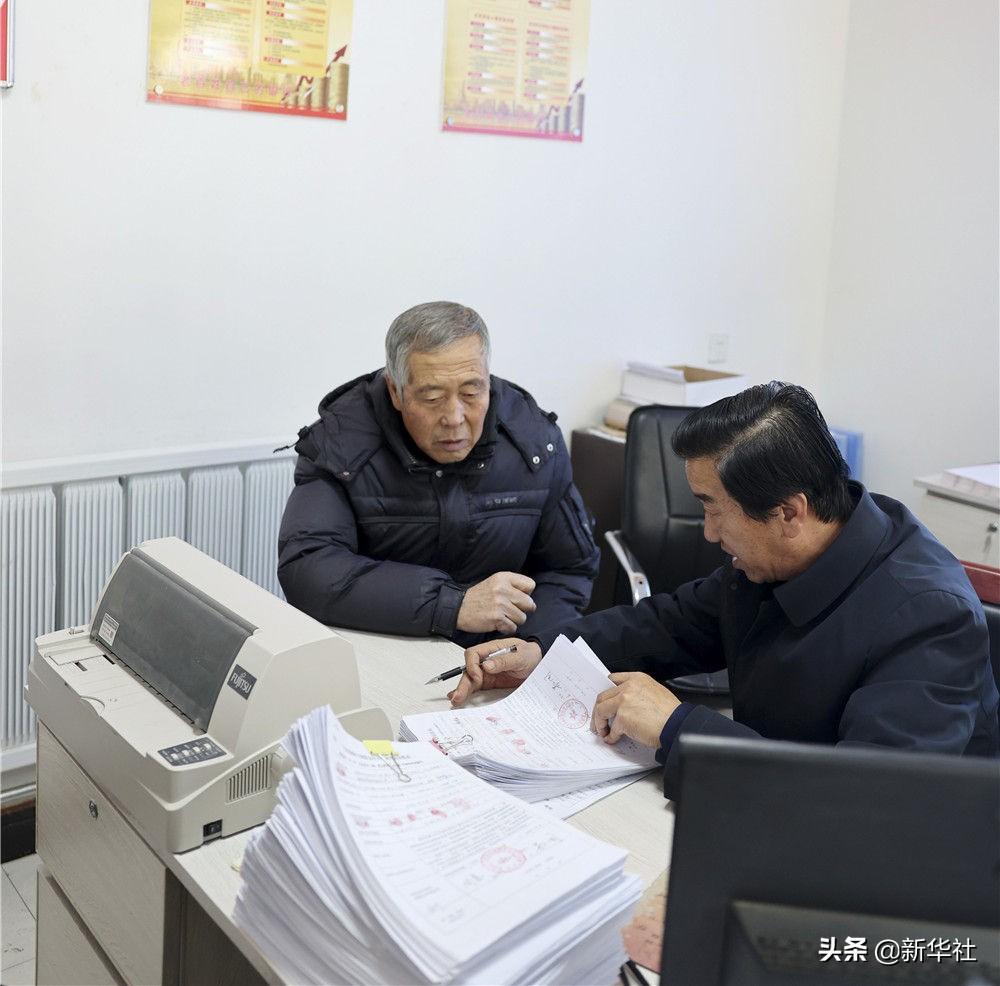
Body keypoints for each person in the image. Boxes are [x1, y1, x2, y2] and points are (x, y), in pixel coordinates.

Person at [451, 382, 999, 794]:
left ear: (789, 512)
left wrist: (678, 725)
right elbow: (667, 624)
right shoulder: (776, 558)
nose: (708, 533)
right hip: (760, 805)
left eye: (713, 509)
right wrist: (546, 653)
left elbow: (866, 800)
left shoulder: (928, 618)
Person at [278, 301, 599, 645]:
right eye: (432, 397)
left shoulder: (533, 442)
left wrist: (532, 647)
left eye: (471, 392)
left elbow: (567, 569)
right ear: (395, 392)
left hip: (499, 653)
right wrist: (450, 605)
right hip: (381, 645)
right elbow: (309, 568)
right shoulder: (341, 444)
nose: (455, 417)